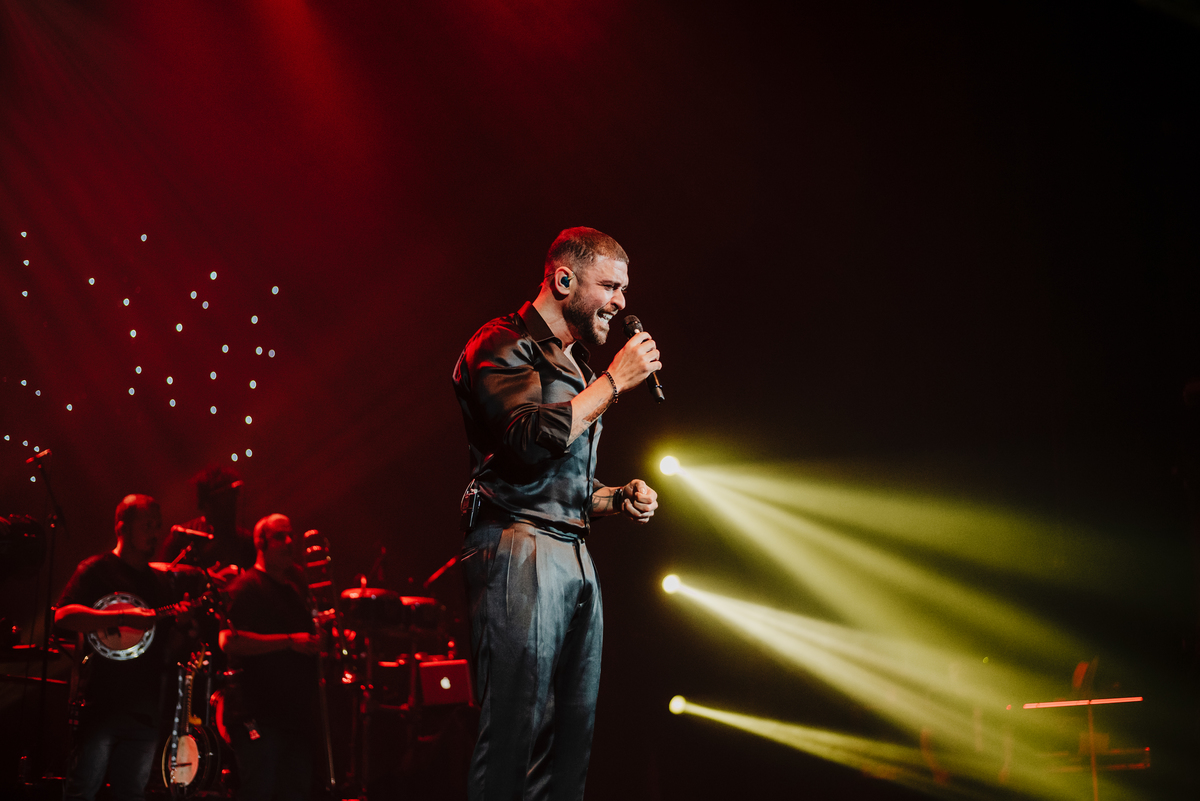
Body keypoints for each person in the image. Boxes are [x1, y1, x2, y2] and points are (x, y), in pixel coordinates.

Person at [452, 226, 661, 799]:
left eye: (623, 289)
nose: (620, 302)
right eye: (610, 287)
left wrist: (614, 497)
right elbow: (524, 439)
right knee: (515, 732)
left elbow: (560, 480)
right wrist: (614, 382)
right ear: (564, 280)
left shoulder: (580, 369)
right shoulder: (503, 341)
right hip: (517, 545)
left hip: (573, 551)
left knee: (570, 741)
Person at [55, 494, 178, 801]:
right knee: (82, 790)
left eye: (158, 526)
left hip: (145, 709)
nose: (155, 533)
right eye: (147, 525)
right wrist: (122, 617)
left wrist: (185, 622)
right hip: (100, 704)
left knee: (132, 794)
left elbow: (167, 643)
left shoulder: (160, 583)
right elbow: (63, 616)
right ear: (121, 527)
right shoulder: (96, 570)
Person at [218, 513, 322, 801]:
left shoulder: (293, 591)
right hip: (259, 715)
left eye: (290, 535)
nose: (289, 542)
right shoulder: (245, 586)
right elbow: (229, 641)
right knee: (261, 790)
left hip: (294, 718)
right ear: (260, 543)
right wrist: (289, 641)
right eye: (279, 536)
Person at [158, 465, 255, 575]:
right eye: (225, 499)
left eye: (234, 497)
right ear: (207, 502)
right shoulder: (181, 538)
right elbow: (163, 576)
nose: (233, 504)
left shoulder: (247, 542)